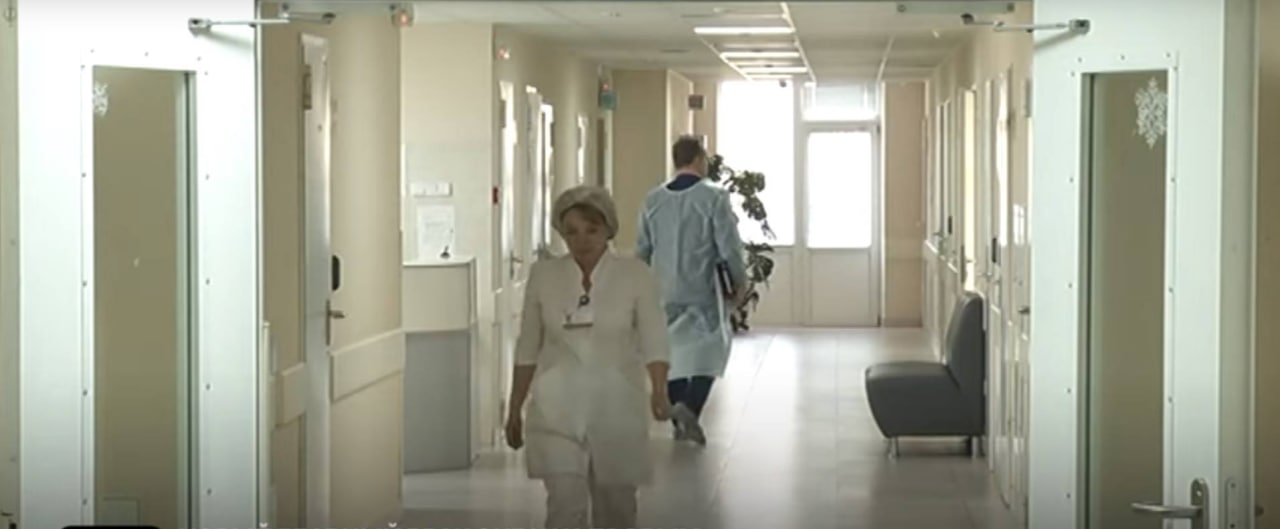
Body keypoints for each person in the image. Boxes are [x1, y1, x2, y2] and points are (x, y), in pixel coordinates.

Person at [504, 185, 671, 529]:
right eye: (572, 232)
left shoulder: (635, 275)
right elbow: (528, 345)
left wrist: (659, 389)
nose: (582, 240)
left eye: (592, 230)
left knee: (617, 510)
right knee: (564, 508)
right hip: (556, 409)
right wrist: (514, 407)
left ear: (609, 229)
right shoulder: (544, 276)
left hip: (616, 405)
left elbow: (654, 337)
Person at [636, 135, 748, 446]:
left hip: (662, 290)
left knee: (671, 354)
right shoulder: (714, 197)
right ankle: (689, 409)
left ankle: (679, 418)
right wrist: (739, 282)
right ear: (699, 159)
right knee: (710, 352)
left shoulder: (652, 200)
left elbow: (642, 249)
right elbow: (728, 246)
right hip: (702, 289)